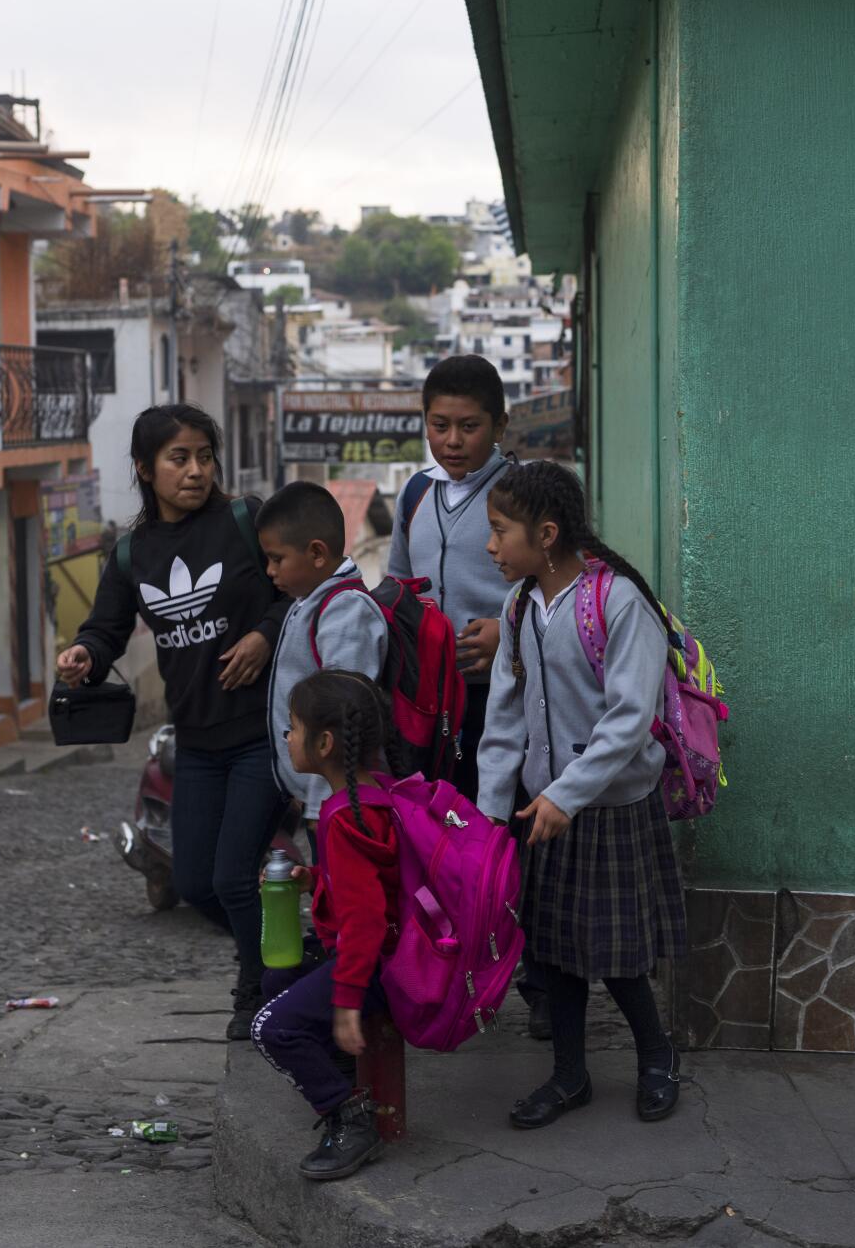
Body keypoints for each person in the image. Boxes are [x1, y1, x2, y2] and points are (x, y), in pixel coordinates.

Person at [59, 404, 290, 1039]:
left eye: (204, 457)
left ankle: (261, 981)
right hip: (196, 741)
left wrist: (265, 636)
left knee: (234, 877)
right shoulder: (134, 551)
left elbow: (296, 591)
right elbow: (105, 628)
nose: (194, 471)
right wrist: (86, 654)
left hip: (259, 733)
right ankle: (291, 958)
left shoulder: (246, 521)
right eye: (178, 458)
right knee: (194, 881)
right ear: (144, 468)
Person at [476, 460, 688, 1131]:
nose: (491, 545)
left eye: (499, 530)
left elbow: (628, 720)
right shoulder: (520, 606)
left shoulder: (618, 602)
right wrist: (487, 815)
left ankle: (657, 1054)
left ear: (545, 533)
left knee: (618, 954)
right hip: (546, 808)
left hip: (608, 806)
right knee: (554, 951)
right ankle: (570, 1075)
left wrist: (567, 794)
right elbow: (503, 718)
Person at [386, 354, 545, 1033]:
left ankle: (539, 976)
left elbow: (559, 582)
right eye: (439, 425)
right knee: (442, 837)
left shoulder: (525, 493)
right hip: (432, 707)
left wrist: (504, 628)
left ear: (500, 425)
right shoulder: (415, 494)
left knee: (513, 832)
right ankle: (454, 965)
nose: (452, 441)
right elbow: (396, 587)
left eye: (469, 427)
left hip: (508, 702)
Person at [249, 670, 402, 1182]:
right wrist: (314, 876)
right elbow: (368, 883)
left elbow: (365, 919)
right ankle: (341, 1076)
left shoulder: (343, 818)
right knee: (276, 980)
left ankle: (350, 1119)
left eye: (293, 728)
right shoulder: (370, 795)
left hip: (377, 966)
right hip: (388, 954)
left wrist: (346, 1000)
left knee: (269, 1028)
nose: (287, 737)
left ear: (325, 742)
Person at [256, 481, 388, 823]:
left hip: (340, 804)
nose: (270, 571)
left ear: (316, 553)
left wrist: (320, 808)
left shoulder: (345, 611)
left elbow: (337, 719)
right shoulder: (310, 601)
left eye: (277, 559)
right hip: (322, 797)